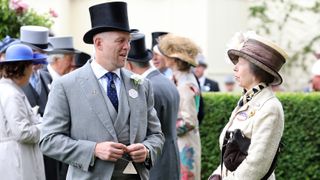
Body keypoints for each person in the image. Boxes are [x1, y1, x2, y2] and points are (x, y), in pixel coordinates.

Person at [39, 2, 164, 180]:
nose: (127, 47)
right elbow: (48, 140)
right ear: (99, 43)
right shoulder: (66, 86)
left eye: (129, 41)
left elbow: (157, 135)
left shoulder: (142, 85)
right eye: (121, 40)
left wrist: (147, 149)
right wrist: (94, 150)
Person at [208, 32, 287, 180]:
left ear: (257, 69)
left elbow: (256, 165)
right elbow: (230, 154)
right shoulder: (247, 101)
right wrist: (217, 174)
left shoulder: (270, 107)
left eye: (241, 62)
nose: (235, 68)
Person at [125, 32, 180, 180]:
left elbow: (145, 132)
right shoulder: (166, 81)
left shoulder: (146, 88)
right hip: (171, 156)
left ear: (128, 64)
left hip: (156, 161)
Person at [156, 34, 202, 180]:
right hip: (177, 142)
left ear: (175, 59)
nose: (163, 57)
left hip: (184, 145)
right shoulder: (178, 78)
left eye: (166, 54)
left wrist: (162, 128)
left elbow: (189, 121)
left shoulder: (186, 84)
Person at [0, 43, 47, 180]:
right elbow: (23, 132)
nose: (32, 71)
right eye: (31, 66)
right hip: (17, 159)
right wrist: (45, 126)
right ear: (22, 68)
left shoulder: (9, 89)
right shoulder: (11, 94)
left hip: (14, 156)